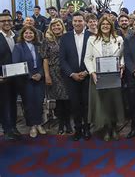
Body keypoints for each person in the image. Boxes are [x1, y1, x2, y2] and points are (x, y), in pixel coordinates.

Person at [84, 16, 125, 141]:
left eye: (108, 24)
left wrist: (122, 66)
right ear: (99, 26)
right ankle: (106, 129)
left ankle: (114, 128)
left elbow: (122, 56)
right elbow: (88, 58)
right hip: (98, 77)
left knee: (114, 103)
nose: (105, 26)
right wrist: (92, 73)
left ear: (111, 26)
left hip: (114, 76)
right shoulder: (92, 39)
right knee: (103, 104)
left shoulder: (118, 39)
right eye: (103, 24)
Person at [60, 12, 92, 141]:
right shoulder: (65, 37)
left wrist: (86, 72)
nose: (77, 23)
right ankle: (77, 129)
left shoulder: (92, 36)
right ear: (71, 22)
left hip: (87, 76)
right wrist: (72, 74)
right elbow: (62, 59)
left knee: (86, 104)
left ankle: (87, 128)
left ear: (85, 22)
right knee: (75, 104)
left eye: (80, 21)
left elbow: (94, 57)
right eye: (75, 21)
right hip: (71, 77)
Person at [12, 26, 46, 138]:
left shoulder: (39, 46)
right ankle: (32, 125)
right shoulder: (18, 47)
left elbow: (44, 62)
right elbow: (17, 64)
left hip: (39, 78)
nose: (28, 35)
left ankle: (39, 123)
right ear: (22, 35)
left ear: (34, 35)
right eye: (26, 33)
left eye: (31, 33)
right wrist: (31, 76)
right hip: (26, 79)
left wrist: (40, 74)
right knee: (29, 103)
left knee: (39, 101)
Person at [40, 18, 71, 134]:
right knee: (58, 100)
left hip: (67, 72)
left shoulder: (68, 38)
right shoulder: (46, 40)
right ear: (50, 28)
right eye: (53, 26)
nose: (56, 28)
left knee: (67, 99)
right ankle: (61, 123)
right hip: (54, 72)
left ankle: (68, 123)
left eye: (58, 25)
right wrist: (47, 75)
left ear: (62, 26)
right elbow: (45, 59)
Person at [0, 13, 22, 140]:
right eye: (3, 21)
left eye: (9, 20)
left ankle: (14, 126)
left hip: (17, 77)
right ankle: (7, 129)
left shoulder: (17, 36)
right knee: (3, 104)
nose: (7, 23)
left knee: (14, 103)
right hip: (3, 78)